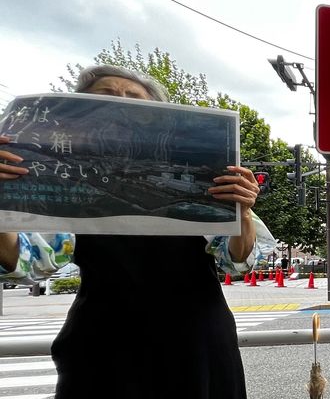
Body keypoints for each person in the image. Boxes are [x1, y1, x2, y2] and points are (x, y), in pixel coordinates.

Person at [0, 64, 275, 398]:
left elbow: (238, 260)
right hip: (103, 346)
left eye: (133, 98)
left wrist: (242, 211)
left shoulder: (204, 179)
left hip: (198, 343)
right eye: (107, 95)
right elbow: (28, 261)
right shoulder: (62, 178)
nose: (120, 103)